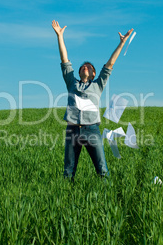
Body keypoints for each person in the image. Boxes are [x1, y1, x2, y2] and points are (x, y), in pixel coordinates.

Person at [51, 20, 133, 180]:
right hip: (72, 130)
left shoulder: (98, 85)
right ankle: (66, 197)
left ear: (94, 74)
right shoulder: (71, 83)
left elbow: (110, 64)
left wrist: (122, 43)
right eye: (83, 67)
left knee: (102, 169)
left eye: (89, 67)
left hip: (92, 130)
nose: (85, 67)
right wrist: (60, 36)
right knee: (68, 171)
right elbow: (65, 61)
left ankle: (106, 197)